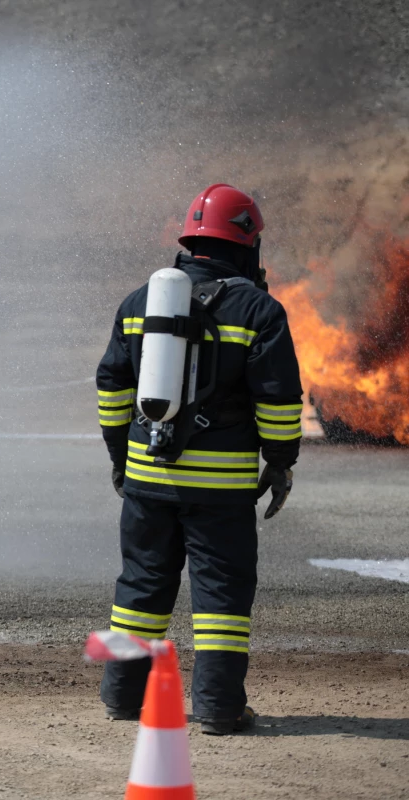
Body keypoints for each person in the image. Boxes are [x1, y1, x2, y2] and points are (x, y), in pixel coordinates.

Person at [95, 184, 302, 735]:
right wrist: (280, 464)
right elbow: (279, 401)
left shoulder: (139, 301)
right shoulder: (259, 309)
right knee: (221, 598)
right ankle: (217, 708)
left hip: (146, 480)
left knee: (140, 586)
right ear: (247, 243)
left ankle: (121, 696)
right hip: (221, 490)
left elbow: (112, 387)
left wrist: (122, 456)